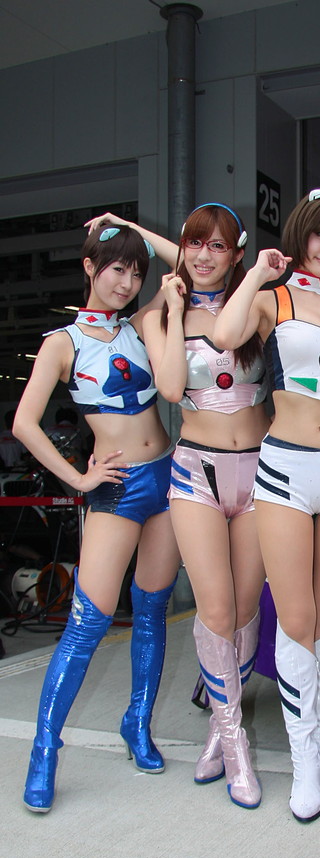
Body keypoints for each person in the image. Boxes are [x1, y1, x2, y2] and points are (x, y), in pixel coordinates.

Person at [214, 187, 320, 822]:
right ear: (303, 232)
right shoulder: (270, 300)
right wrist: (258, 270)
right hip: (285, 469)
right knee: (297, 615)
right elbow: (225, 334)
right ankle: (303, 758)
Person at [14, 224, 181, 813]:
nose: (128, 282)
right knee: (88, 622)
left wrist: (131, 230)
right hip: (116, 488)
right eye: (116, 268)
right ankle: (44, 750)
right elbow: (24, 423)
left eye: (135, 272)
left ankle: (137, 722)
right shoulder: (62, 343)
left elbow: (186, 264)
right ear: (89, 267)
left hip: (167, 478)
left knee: (154, 609)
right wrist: (78, 479)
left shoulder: (139, 324)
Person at [140, 203, 269, 809]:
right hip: (196, 473)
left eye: (218, 246)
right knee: (215, 607)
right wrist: (171, 309)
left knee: (246, 606)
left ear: (237, 253)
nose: (203, 255)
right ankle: (235, 744)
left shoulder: (257, 306)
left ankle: (220, 728)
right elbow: (170, 387)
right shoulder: (159, 315)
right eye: (194, 244)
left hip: (262, 474)